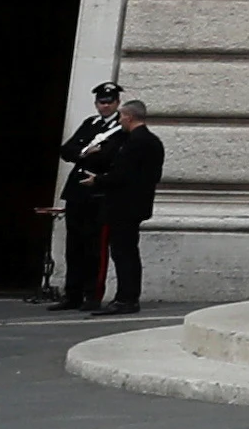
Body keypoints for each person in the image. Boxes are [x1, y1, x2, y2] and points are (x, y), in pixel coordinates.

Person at [63, 98, 164, 315]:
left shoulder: (135, 142)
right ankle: (126, 297)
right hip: (135, 205)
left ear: (128, 116)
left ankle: (126, 299)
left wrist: (97, 181)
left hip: (123, 206)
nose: (119, 120)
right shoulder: (151, 141)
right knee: (126, 252)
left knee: (123, 254)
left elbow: (122, 175)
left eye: (121, 116)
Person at [40, 83, 124, 307]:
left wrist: (83, 154)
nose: (104, 106)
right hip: (77, 191)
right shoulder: (90, 124)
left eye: (109, 102)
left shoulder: (119, 128)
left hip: (97, 193)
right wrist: (85, 153)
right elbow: (66, 151)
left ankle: (91, 294)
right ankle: (72, 293)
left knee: (93, 246)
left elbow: (107, 157)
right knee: (74, 246)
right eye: (101, 102)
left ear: (117, 103)